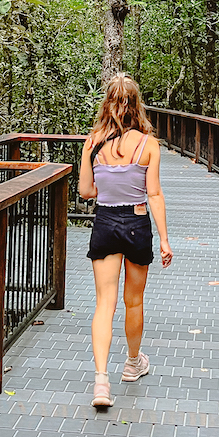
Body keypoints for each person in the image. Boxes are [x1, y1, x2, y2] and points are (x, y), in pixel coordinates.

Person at [78, 73, 172, 408]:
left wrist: (96, 166)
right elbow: (155, 194)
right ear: (137, 104)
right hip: (136, 224)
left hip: (104, 221)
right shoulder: (149, 144)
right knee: (134, 301)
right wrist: (163, 239)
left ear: (108, 102)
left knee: (105, 303)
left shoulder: (94, 141)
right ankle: (132, 364)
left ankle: (101, 382)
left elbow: (87, 191)